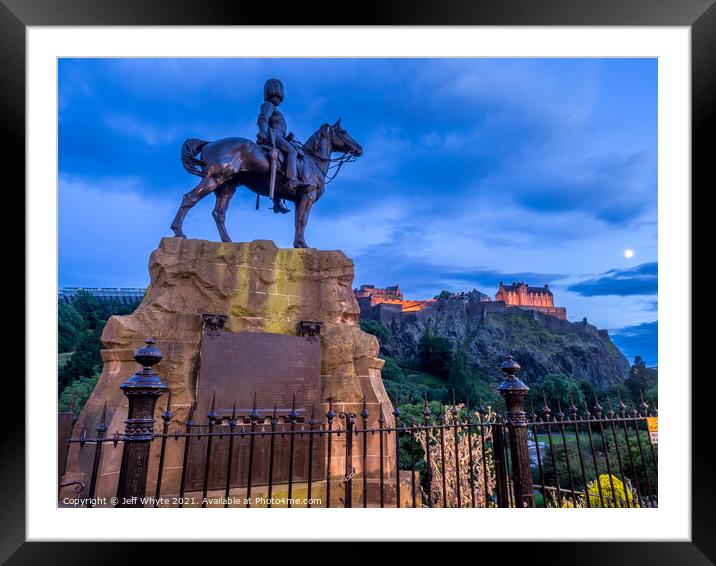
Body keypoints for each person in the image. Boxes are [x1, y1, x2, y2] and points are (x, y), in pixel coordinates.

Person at [256, 78, 302, 214]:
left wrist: (288, 138)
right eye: (274, 95)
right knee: (293, 152)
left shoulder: (276, 110)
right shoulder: (268, 105)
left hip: (278, 137)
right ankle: (292, 180)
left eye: (279, 97)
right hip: (272, 136)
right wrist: (263, 134)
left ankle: (278, 202)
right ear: (269, 94)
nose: (277, 99)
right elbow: (263, 118)